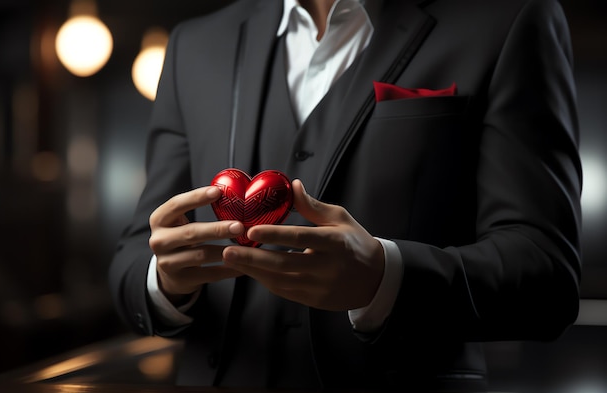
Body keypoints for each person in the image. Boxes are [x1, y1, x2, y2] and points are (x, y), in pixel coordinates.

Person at [109, 0, 582, 390]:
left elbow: (547, 277)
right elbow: (132, 260)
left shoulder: (508, 18)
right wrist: (165, 279)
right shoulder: (195, 46)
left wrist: (386, 277)